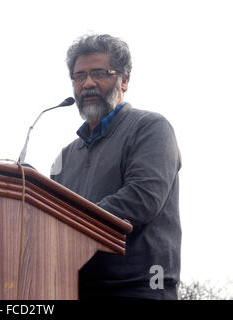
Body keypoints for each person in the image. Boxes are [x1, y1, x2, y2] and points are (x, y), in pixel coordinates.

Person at [50, 34, 182, 300]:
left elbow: (142, 199)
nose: (87, 83)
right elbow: (49, 213)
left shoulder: (151, 129)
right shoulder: (65, 156)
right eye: (79, 76)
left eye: (99, 73)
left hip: (141, 287)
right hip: (75, 289)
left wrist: (68, 224)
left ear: (124, 80)